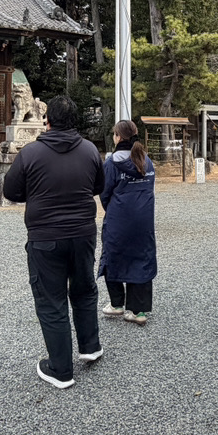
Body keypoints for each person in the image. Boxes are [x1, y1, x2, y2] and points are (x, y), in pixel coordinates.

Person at [3, 95, 105, 389]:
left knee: (51, 300)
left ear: (47, 121)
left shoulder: (31, 153)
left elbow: (11, 191)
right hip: (83, 232)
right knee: (84, 288)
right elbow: (98, 186)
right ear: (74, 121)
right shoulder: (90, 150)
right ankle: (90, 346)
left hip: (46, 235)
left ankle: (60, 369)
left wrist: (36, 193)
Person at [98, 120, 157, 325]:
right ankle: (138, 311)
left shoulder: (112, 162)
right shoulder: (146, 161)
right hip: (144, 218)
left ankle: (117, 303)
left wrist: (113, 209)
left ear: (118, 137)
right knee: (142, 256)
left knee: (113, 254)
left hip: (119, 217)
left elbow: (104, 193)